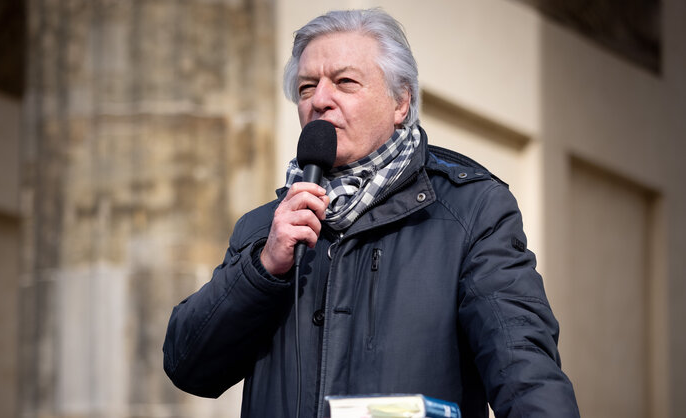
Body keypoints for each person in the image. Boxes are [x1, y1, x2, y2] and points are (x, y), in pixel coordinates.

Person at [163, 8, 579, 418]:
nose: (320, 100)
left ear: (401, 101)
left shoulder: (471, 210)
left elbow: (523, 369)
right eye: (307, 87)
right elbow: (189, 366)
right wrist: (264, 268)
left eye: (344, 82)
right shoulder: (266, 229)